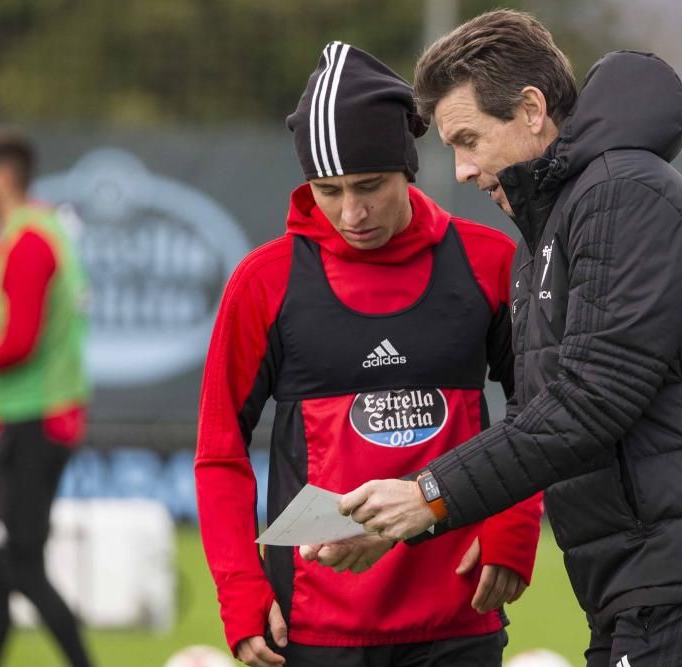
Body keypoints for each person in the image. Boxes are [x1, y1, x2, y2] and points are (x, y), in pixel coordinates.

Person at [338, 10, 682, 667]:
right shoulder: (549, 227)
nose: (462, 170)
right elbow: (536, 412)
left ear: (530, 110)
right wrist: (413, 513)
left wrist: (429, 492)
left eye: (468, 139)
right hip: (632, 571)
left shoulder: (624, 195)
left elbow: (591, 399)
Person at [194, 42, 542, 667]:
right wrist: (240, 591)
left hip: (459, 615)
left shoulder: (489, 262)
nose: (351, 212)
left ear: (408, 166)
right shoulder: (264, 283)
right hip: (316, 629)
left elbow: (537, 407)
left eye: (370, 186)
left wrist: (513, 528)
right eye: (327, 190)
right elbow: (220, 451)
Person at [0, 127, 93, 667]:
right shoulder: (38, 229)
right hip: (30, 419)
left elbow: (18, 341)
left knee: (19, 563)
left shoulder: (28, 240)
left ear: (3, 176)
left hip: (29, 421)